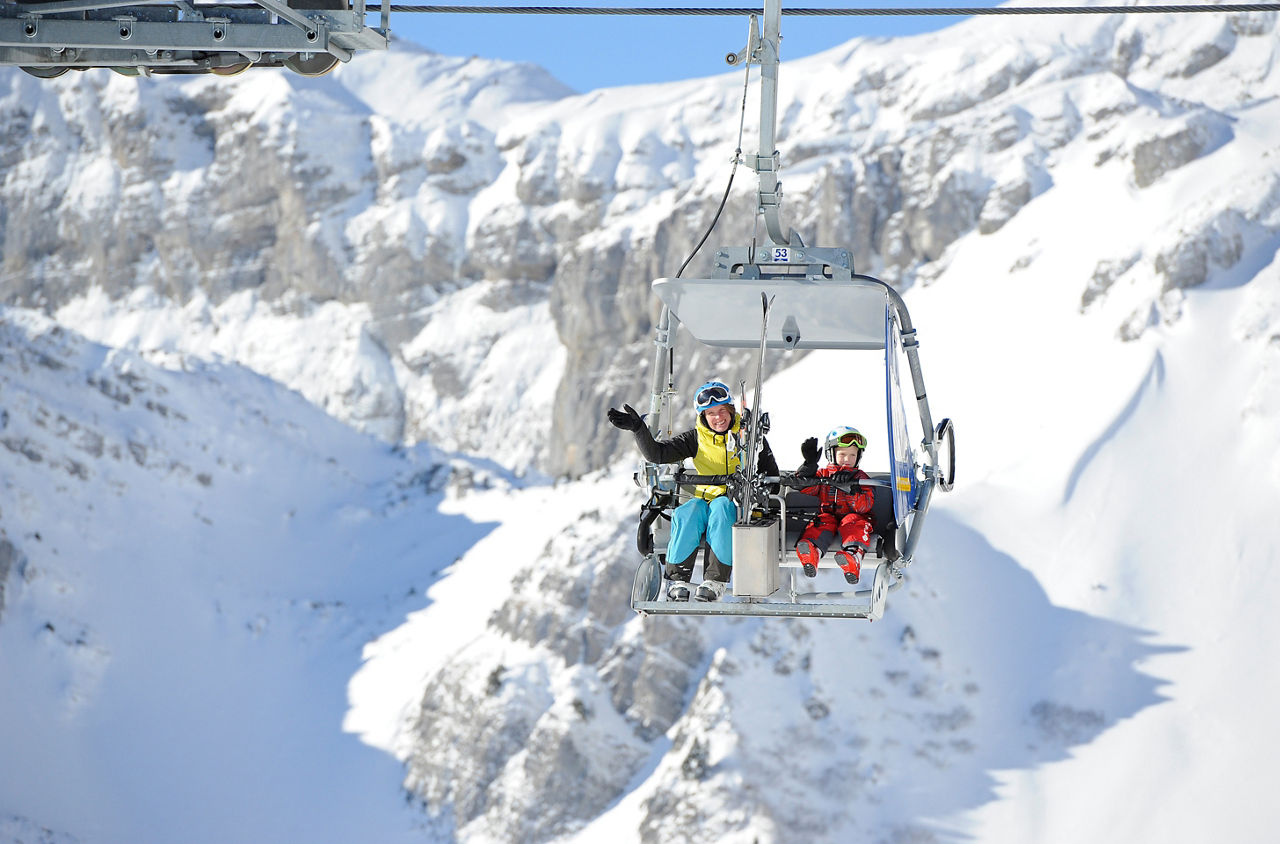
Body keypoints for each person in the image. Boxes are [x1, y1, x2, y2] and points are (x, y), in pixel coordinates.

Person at [608, 380, 777, 603]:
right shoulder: (696, 438)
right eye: (711, 413)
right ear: (703, 417)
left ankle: (715, 581)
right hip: (704, 501)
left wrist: (754, 489)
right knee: (689, 510)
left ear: (731, 411)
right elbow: (658, 455)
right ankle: (677, 580)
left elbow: (772, 478)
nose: (718, 418)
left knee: (721, 506)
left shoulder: (750, 439)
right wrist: (639, 429)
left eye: (722, 411)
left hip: (736, 507)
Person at [794, 426, 875, 585]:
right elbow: (805, 487)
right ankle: (812, 551)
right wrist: (808, 467)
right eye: (843, 454)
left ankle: (853, 556)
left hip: (854, 519)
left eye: (853, 455)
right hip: (829, 516)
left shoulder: (861, 478)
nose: (848, 459)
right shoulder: (825, 475)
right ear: (832, 454)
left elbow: (864, 506)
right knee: (821, 521)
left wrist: (852, 489)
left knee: (853, 521)